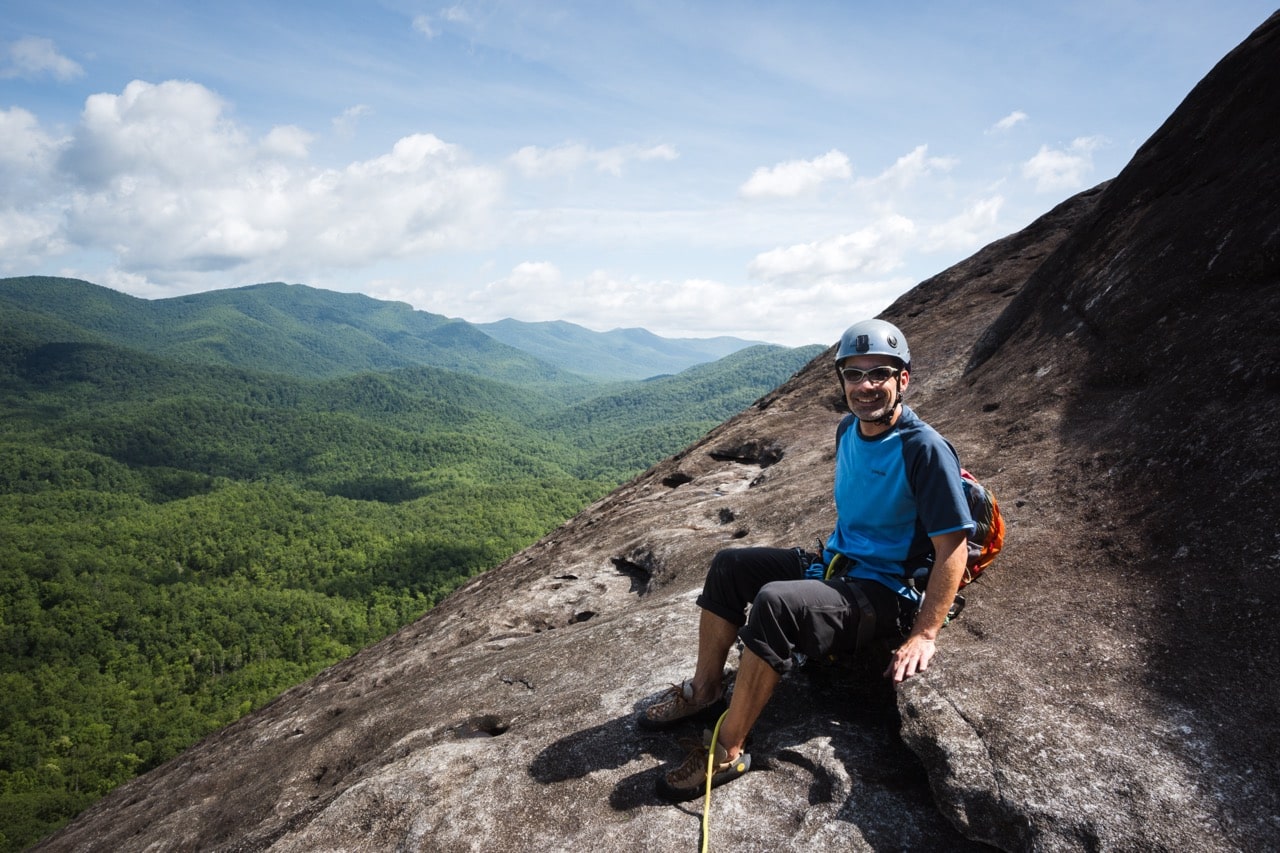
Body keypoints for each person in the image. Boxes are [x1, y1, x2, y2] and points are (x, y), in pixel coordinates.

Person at [639, 318, 976, 802]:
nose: (865, 386)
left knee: (778, 602)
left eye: (879, 373)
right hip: (838, 567)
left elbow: (953, 548)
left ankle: (729, 750)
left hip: (884, 591)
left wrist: (924, 634)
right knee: (730, 564)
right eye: (853, 374)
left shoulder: (923, 448)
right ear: (841, 380)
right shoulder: (848, 430)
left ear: (903, 379)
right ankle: (707, 689)